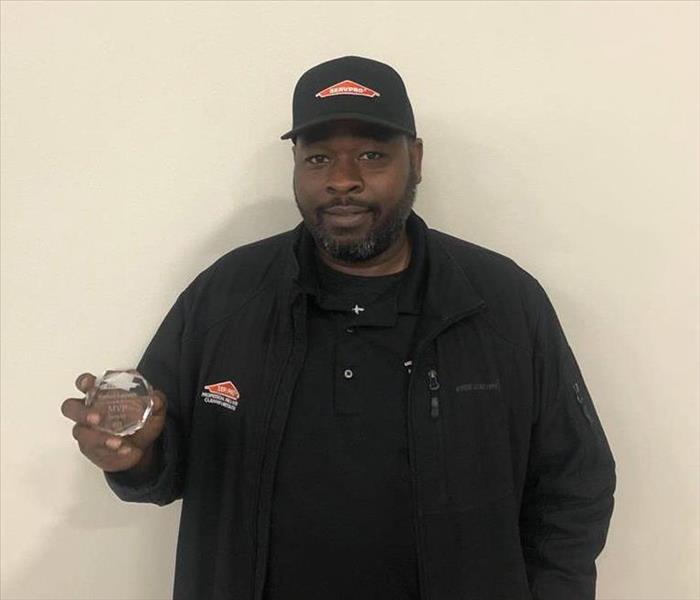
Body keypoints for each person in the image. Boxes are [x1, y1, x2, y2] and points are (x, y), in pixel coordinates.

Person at [61, 56, 616, 600]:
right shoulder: (226, 295)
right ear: (297, 166)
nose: (343, 181)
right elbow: (158, 449)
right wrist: (132, 454)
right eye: (320, 158)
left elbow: (574, 484)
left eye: (372, 155)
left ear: (416, 160)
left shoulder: (502, 303)